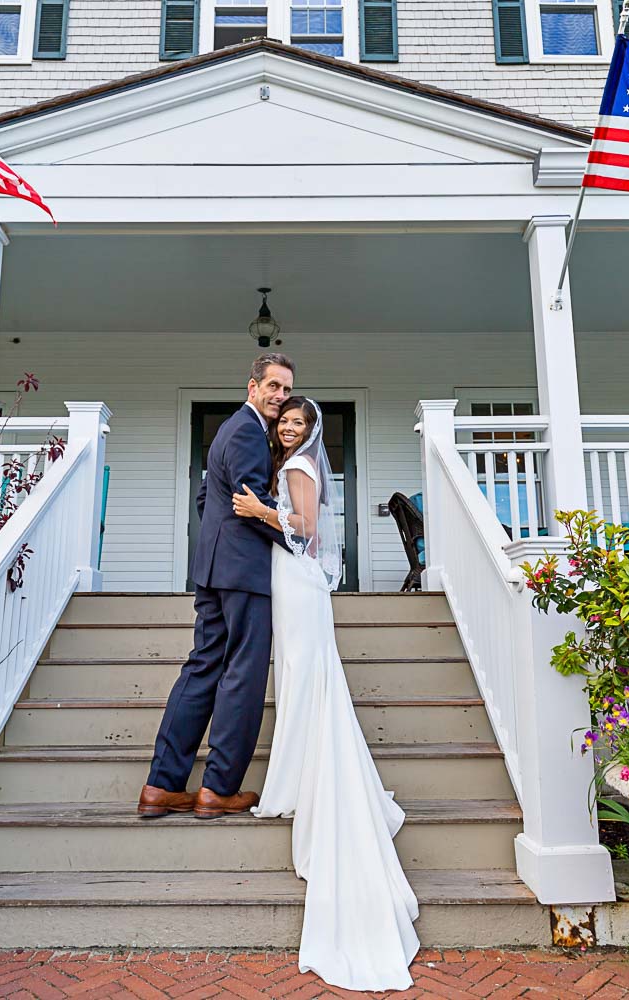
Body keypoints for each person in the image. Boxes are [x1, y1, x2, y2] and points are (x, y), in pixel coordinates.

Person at [232, 395, 421, 992]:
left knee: (303, 673)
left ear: (310, 431)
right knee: (297, 674)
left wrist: (261, 511)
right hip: (293, 579)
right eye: (283, 421)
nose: (288, 428)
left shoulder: (298, 469)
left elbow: (306, 529)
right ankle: (296, 773)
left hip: (295, 577)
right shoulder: (292, 465)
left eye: (298, 423)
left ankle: (299, 776)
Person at [138, 354, 294, 820]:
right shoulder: (247, 432)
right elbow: (251, 502)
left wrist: (220, 540)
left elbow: (210, 497)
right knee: (242, 675)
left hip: (213, 568)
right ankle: (218, 789)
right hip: (243, 573)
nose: (279, 396)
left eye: (286, 389)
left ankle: (161, 786)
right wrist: (299, 536)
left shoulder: (228, 429)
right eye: (273, 386)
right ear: (252, 386)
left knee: (203, 668)